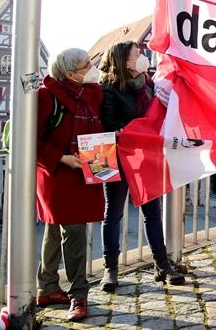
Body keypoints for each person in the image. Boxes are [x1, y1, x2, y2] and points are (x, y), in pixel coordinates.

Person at [98, 41, 184, 292]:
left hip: (144, 157)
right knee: (112, 213)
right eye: (138, 54)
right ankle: (110, 269)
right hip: (115, 156)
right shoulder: (108, 88)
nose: (143, 56)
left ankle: (161, 264)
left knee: (152, 211)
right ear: (125, 61)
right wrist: (130, 132)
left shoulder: (149, 85)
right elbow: (108, 124)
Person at [35, 48, 105, 321]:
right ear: (70, 73)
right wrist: (62, 158)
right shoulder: (47, 96)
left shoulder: (93, 93)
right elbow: (32, 139)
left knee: (55, 231)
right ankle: (79, 294)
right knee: (72, 231)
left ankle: (47, 287)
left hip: (84, 169)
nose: (91, 67)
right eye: (86, 65)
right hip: (58, 175)